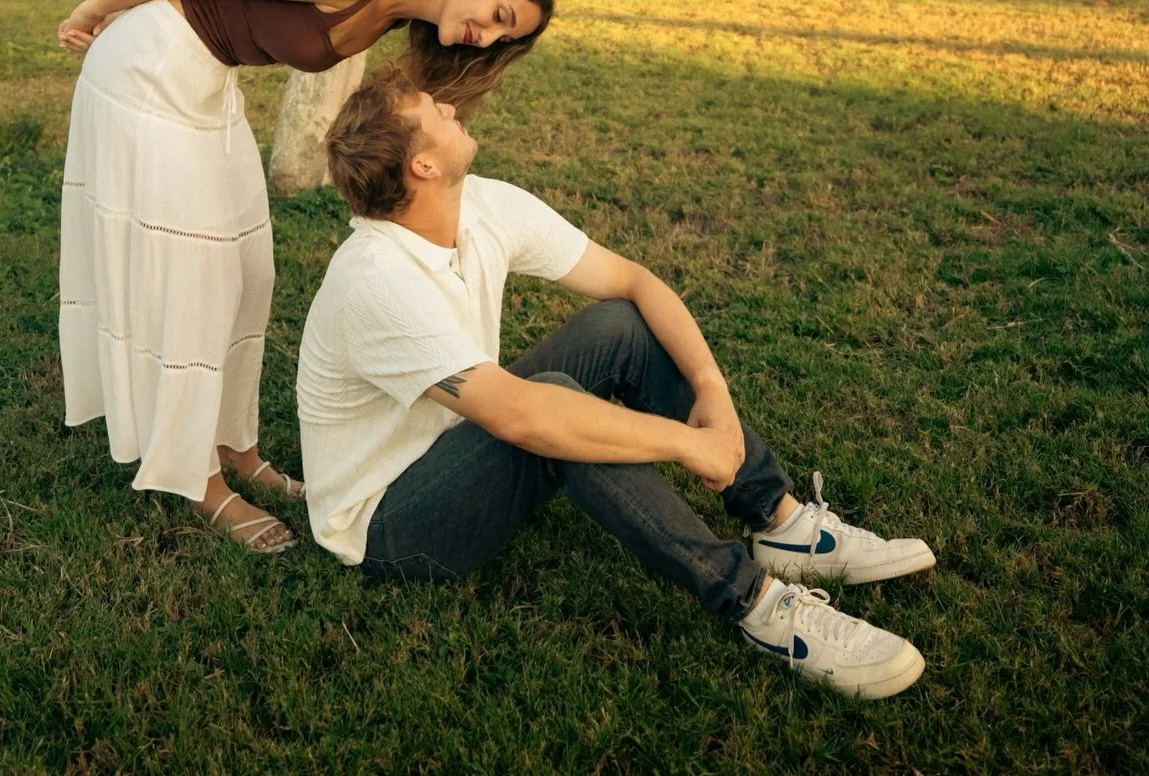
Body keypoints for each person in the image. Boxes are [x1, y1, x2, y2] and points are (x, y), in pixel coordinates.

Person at [297, 64, 936, 697]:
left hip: (459, 437)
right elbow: (522, 416)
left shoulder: (481, 206)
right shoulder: (374, 279)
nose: (446, 104)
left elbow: (633, 282)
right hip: (389, 525)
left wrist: (711, 388)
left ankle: (780, 521)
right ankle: (758, 606)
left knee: (616, 326)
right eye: (428, 109)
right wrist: (685, 442)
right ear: (423, 167)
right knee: (554, 411)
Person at [56, 0, 552, 553]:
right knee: (192, 278)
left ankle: (237, 448)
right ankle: (197, 479)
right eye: (499, 15)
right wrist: (94, 10)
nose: (489, 34)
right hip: (147, 68)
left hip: (202, 83)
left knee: (248, 269)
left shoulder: (390, 14)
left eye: (505, 36)